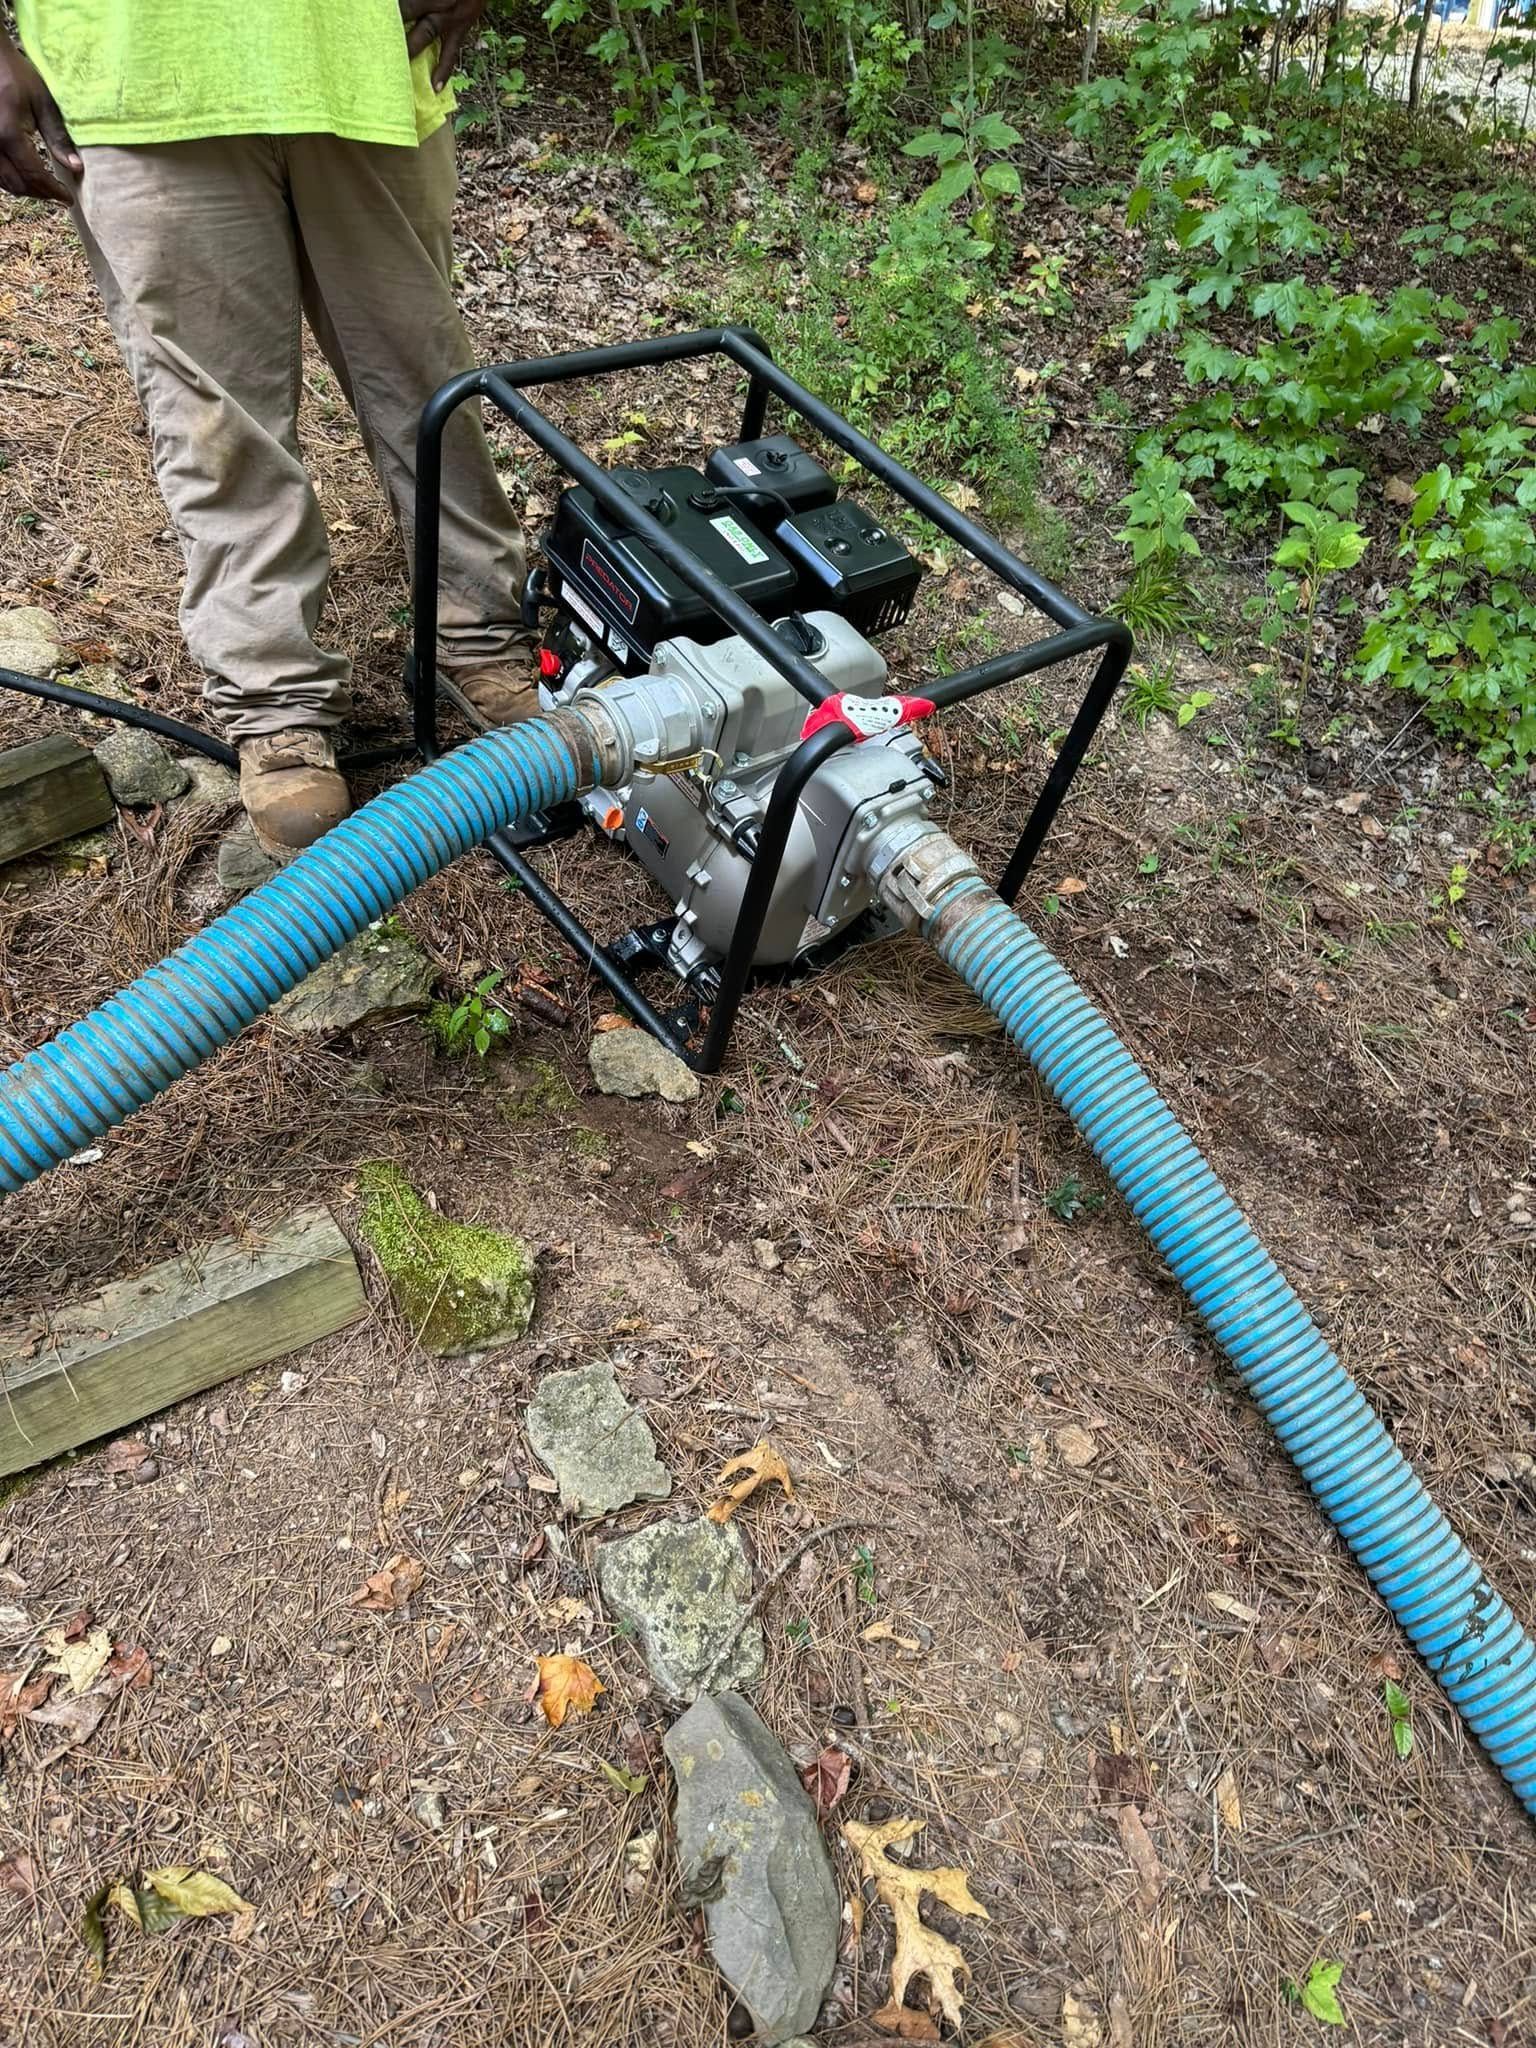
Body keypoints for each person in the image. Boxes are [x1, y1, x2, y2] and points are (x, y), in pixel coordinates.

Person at [0, 0, 533, 853]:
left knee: (430, 386)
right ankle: (274, 698)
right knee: (217, 425)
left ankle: (480, 635)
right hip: (140, 77)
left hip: (367, 64)